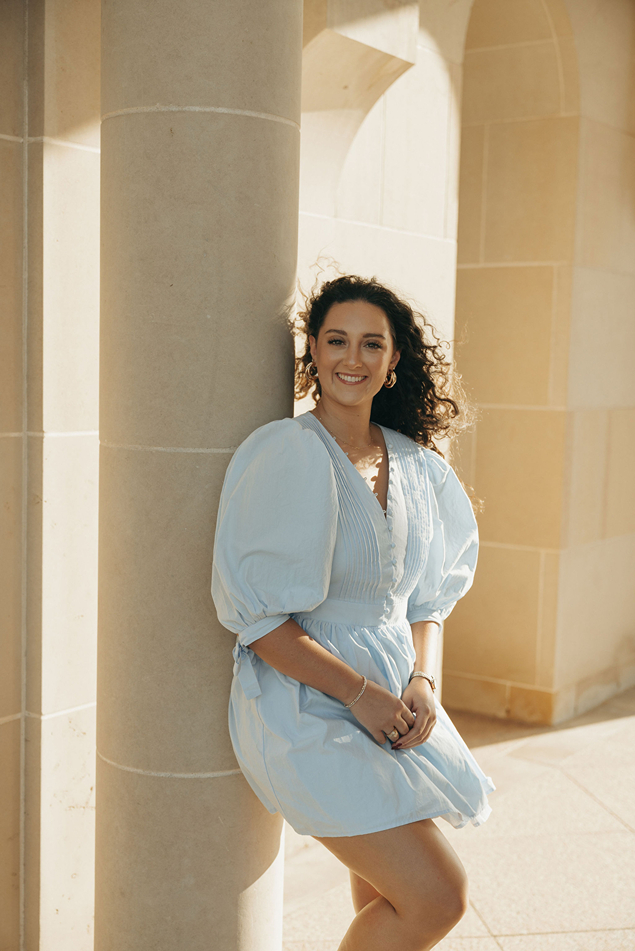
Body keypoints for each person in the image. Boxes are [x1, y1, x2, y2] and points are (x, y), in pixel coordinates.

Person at [211, 274, 495, 951]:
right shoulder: (284, 452)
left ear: (394, 361)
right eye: (336, 339)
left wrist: (422, 681)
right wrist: (359, 694)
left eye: (373, 344)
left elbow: (428, 601)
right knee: (436, 896)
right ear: (312, 349)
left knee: (389, 895)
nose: (353, 358)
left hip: (395, 699)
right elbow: (257, 620)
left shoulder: (419, 466)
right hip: (304, 702)